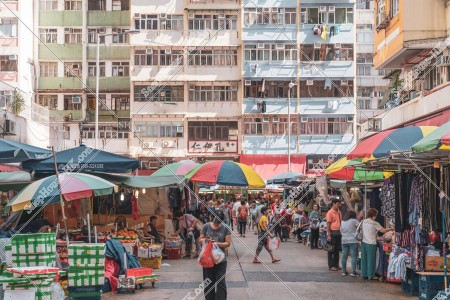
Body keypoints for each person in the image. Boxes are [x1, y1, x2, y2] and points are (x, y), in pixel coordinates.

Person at [198, 210, 231, 300]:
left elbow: (228, 243)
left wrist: (217, 243)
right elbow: (200, 239)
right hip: (208, 259)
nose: (216, 225)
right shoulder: (206, 226)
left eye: (218, 223)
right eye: (215, 222)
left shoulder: (225, 228)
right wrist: (206, 240)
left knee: (221, 282)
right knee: (208, 281)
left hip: (221, 260)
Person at [361, 208, 394, 280]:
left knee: (364, 259)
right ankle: (371, 275)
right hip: (371, 243)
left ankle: (364, 274)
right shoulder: (374, 223)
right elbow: (383, 230)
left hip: (363, 242)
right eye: (375, 215)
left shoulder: (363, 221)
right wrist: (391, 229)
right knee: (371, 260)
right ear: (373, 215)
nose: (375, 217)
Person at [340, 211, 359, 276]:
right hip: (353, 240)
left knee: (344, 256)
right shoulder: (354, 221)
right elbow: (360, 228)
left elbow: (341, 231)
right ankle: (353, 272)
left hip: (344, 241)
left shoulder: (342, 221)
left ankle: (344, 271)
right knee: (354, 256)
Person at [326, 198, 342, 271]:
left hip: (338, 232)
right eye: (338, 204)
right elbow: (328, 223)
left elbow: (340, 222)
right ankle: (331, 265)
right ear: (333, 203)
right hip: (332, 232)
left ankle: (336, 264)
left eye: (339, 204)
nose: (339, 205)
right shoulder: (330, 212)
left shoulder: (339, 212)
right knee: (331, 249)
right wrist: (329, 234)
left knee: (336, 250)